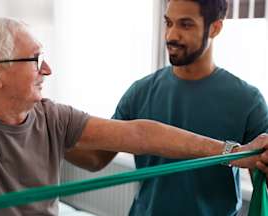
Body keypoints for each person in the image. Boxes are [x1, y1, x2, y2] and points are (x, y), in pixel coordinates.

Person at [0, 15, 266, 216]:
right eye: (35, 60)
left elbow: (140, 135)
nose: (48, 70)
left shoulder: (51, 116)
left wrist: (232, 153)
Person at [68, 0, 268, 215]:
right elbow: (97, 158)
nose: (171, 35)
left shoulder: (247, 100)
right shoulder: (140, 92)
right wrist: (46, 134)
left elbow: (262, 180)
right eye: (168, 23)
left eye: (185, 25)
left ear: (215, 28)